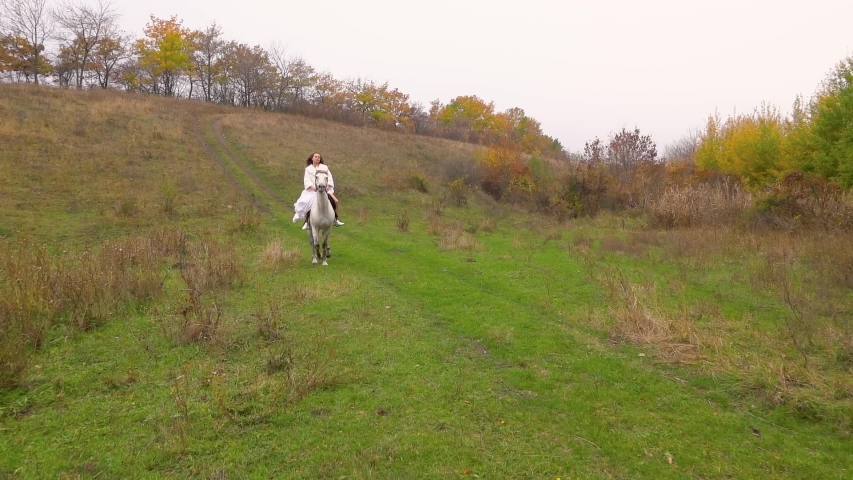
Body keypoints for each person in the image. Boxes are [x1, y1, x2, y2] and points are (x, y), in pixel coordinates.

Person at [292, 152, 345, 229]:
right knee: (309, 203)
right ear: (312, 158)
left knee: (336, 201)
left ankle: (335, 219)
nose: (317, 158)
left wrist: (327, 186)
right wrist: (314, 188)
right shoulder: (308, 169)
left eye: (319, 157)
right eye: (315, 156)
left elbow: (329, 178)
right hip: (312, 191)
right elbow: (307, 181)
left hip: (324, 189)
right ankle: (307, 221)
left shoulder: (324, 168)